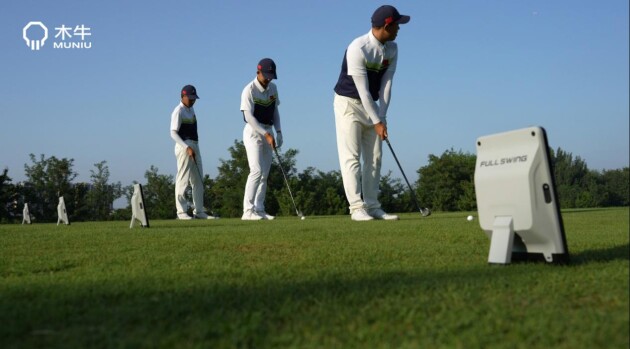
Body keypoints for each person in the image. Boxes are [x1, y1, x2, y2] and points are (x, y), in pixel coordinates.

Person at [333, 5, 410, 221]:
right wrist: (377, 121)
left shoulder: (393, 49)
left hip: (371, 107)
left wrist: (382, 117)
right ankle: (357, 208)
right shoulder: (358, 47)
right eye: (397, 25)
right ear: (387, 24)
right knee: (352, 158)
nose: (399, 29)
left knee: (375, 157)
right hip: (348, 104)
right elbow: (362, 90)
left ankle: (373, 205)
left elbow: (386, 85)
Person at [240, 58, 283, 220]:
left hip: (269, 130)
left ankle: (259, 208)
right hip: (253, 132)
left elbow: (275, 112)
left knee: (264, 173)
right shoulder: (249, 90)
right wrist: (265, 134)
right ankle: (247, 211)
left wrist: (278, 132)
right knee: (256, 171)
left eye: (271, 75)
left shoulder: (273, 88)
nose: (269, 79)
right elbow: (248, 117)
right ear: (258, 72)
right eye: (266, 75)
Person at [170, 84, 215, 220]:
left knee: (198, 179)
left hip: (195, 145)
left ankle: (199, 211)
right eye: (190, 98)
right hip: (184, 146)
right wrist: (186, 147)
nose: (192, 100)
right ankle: (181, 211)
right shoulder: (178, 111)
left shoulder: (191, 110)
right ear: (182, 96)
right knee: (183, 179)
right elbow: (173, 133)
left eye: (194, 98)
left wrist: (192, 147)